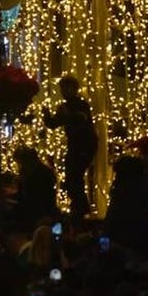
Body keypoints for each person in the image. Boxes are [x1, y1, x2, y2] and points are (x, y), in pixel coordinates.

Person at [43, 75, 98, 217]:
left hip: (84, 145)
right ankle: (79, 207)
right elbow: (54, 124)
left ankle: (80, 208)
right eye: (62, 88)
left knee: (74, 176)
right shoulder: (65, 106)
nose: (63, 91)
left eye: (66, 88)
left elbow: (80, 119)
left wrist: (67, 114)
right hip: (75, 145)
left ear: (74, 89)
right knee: (72, 177)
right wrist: (46, 115)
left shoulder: (80, 104)